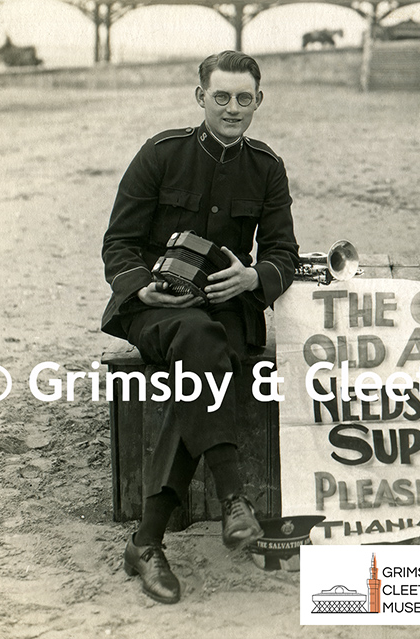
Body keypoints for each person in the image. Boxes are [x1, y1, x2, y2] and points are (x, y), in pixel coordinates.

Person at [101, 51, 299, 605]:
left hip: (227, 311)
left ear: (258, 102)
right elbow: (118, 243)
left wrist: (253, 277)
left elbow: (284, 251)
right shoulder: (161, 154)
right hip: (154, 309)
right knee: (197, 340)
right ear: (201, 99)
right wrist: (139, 286)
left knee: (203, 355)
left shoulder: (267, 167)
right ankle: (235, 494)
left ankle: (146, 541)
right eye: (221, 97)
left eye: (244, 99)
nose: (232, 109)